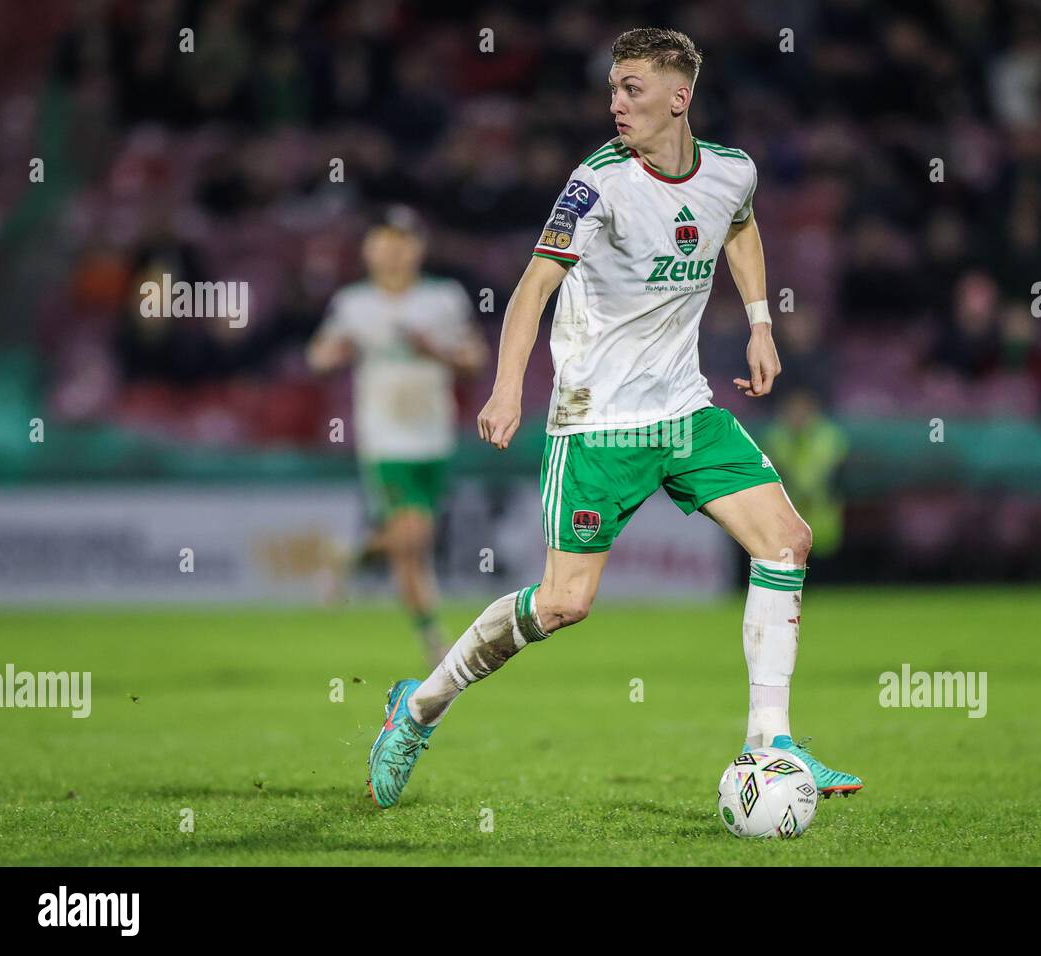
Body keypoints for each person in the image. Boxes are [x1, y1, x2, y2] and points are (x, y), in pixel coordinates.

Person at [366, 27, 864, 808]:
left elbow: (740, 226)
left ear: (679, 97)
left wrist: (762, 321)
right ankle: (418, 707)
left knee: (788, 541)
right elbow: (533, 286)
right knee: (564, 603)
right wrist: (507, 388)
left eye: (632, 88)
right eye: (612, 87)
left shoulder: (733, 170)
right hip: (596, 423)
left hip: (685, 410)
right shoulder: (596, 182)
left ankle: (771, 744)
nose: (615, 102)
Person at [308, 209, 487, 664]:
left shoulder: (444, 298)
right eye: (384, 241)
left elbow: (475, 358)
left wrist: (438, 352)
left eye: (403, 242)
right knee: (410, 538)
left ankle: (351, 559)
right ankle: (436, 641)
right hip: (384, 437)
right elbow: (319, 356)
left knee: (413, 544)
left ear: (418, 249)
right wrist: (336, 352)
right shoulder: (354, 303)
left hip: (434, 435)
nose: (393, 251)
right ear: (369, 249)